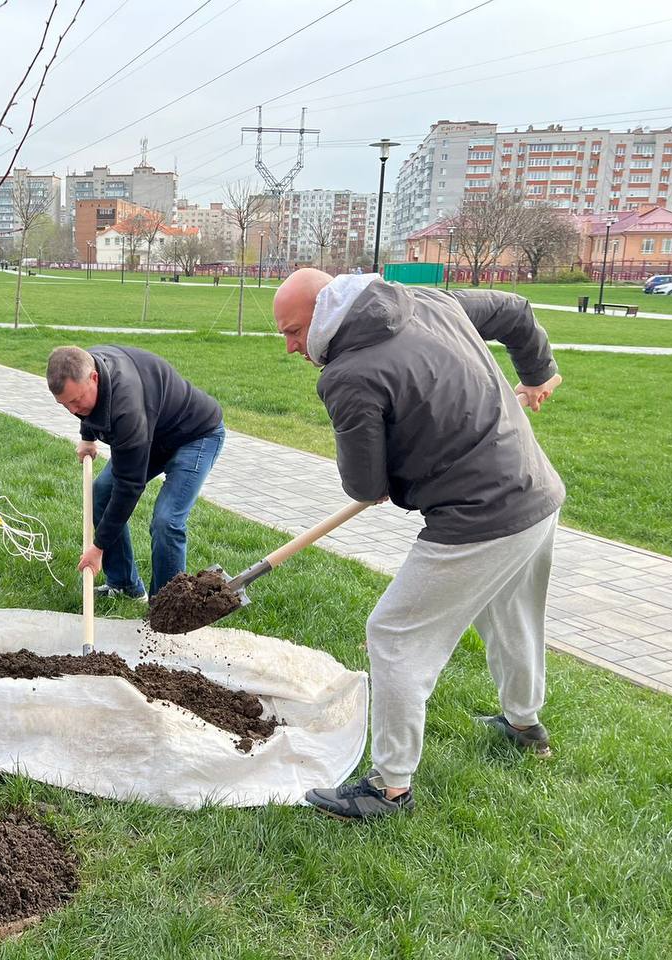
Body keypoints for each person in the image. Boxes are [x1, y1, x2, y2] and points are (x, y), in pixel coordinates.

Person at [270, 269, 564, 821]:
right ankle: (525, 724)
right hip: (537, 494)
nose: (290, 347)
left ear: (325, 311)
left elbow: (364, 485)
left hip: (479, 516)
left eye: (292, 331)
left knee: (395, 633)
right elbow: (517, 312)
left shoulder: (347, 375)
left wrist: (381, 476)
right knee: (511, 613)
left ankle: (390, 788)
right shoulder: (431, 301)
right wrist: (539, 373)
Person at [46, 345, 225, 601]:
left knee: (167, 521)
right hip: (152, 433)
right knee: (100, 494)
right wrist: (87, 437)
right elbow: (87, 409)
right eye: (65, 405)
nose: (73, 410)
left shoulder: (125, 407)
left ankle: (166, 608)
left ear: (94, 378)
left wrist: (98, 548)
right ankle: (125, 586)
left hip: (196, 435)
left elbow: (129, 486)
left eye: (76, 400)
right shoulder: (82, 364)